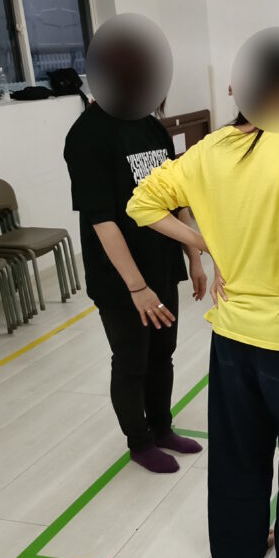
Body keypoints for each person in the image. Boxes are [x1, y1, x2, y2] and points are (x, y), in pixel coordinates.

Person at [126, 97, 279, 558]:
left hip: (232, 335)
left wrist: (206, 244)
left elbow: (141, 204)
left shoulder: (206, 150)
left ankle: (237, 551)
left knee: (237, 449)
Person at [65, 102, 206, 475]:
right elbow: (101, 220)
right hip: (120, 279)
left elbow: (176, 199)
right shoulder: (87, 135)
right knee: (131, 361)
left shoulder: (150, 125)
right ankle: (140, 442)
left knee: (162, 353)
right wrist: (137, 286)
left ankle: (162, 428)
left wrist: (193, 256)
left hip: (161, 265)